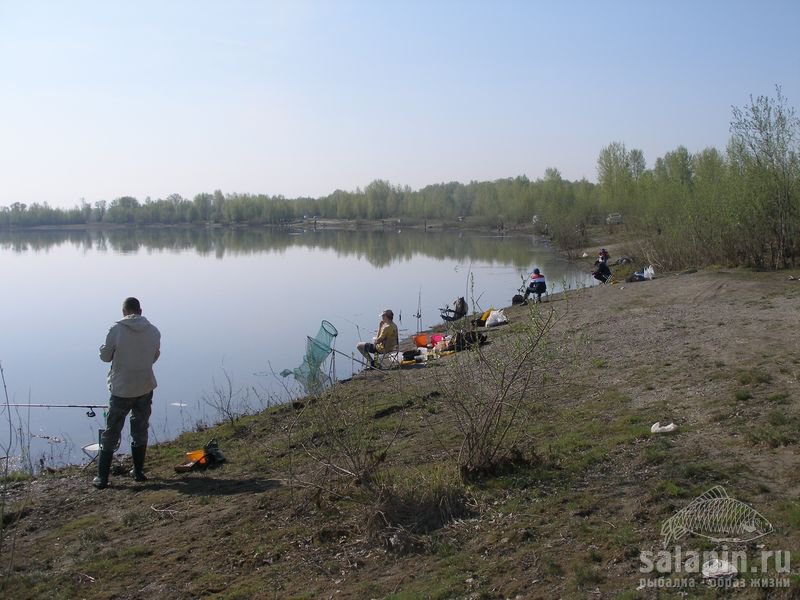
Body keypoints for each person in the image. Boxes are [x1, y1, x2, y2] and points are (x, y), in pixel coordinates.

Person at [94, 297, 161, 489]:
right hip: (145, 386)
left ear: (124, 312)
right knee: (140, 429)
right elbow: (154, 355)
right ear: (140, 310)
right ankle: (138, 472)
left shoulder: (116, 330)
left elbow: (105, 357)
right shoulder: (154, 330)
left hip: (121, 389)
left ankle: (102, 478)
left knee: (112, 431)